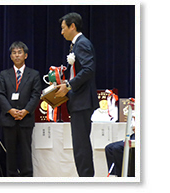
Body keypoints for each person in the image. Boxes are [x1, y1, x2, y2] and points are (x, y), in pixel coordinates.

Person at [55, 12, 99, 177]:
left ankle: (86, 181)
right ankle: (85, 179)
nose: (62, 32)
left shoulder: (81, 43)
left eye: (63, 28)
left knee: (81, 147)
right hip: (79, 101)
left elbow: (88, 69)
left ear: (72, 26)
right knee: (80, 145)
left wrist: (68, 85)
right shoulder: (77, 44)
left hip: (82, 102)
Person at [0, 41, 42, 177]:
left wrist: (26, 111)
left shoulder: (33, 74)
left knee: (25, 152)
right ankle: (11, 181)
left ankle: (27, 180)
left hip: (26, 119)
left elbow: (36, 95)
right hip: (8, 119)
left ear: (25, 55)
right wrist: (10, 110)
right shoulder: (4, 74)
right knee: (10, 153)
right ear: (11, 56)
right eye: (14, 53)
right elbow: (0, 94)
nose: (17, 56)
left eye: (19, 52)